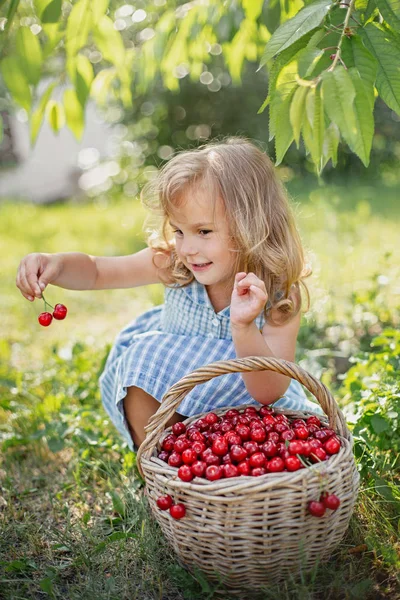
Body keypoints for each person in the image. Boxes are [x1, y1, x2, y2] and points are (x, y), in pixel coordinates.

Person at [16, 136, 322, 451]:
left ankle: (223, 473)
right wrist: (55, 264)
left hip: (243, 410)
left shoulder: (279, 295)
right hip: (175, 399)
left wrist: (243, 327)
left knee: (279, 442)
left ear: (252, 225)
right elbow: (98, 271)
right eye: (178, 230)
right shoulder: (174, 263)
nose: (188, 248)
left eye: (204, 231)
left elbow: (269, 391)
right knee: (142, 359)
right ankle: (161, 463)